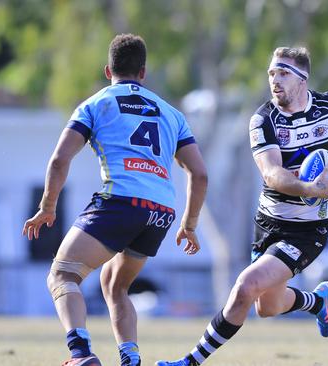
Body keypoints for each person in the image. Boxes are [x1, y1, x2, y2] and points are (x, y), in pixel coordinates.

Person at [156, 46, 328, 366]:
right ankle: (317, 302)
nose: (274, 80)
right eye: (271, 73)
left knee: (244, 288)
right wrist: (310, 188)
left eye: (283, 73)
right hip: (269, 223)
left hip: (307, 230)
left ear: (302, 80)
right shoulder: (263, 119)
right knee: (267, 307)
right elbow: (272, 173)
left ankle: (191, 361)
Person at [22, 34, 208, 366]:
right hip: (160, 213)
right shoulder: (171, 114)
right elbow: (199, 173)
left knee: (63, 275)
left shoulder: (97, 103)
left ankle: (80, 354)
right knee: (114, 284)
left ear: (108, 71)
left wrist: (47, 207)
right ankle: (130, 358)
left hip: (120, 203)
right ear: (144, 73)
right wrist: (189, 225)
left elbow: (59, 161)